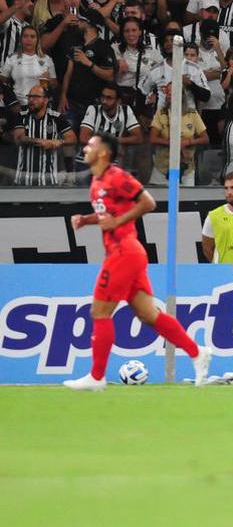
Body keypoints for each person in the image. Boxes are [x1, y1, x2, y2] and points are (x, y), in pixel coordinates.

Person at [64, 133, 211, 389]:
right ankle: (198, 352)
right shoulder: (97, 182)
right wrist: (87, 220)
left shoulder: (117, 176)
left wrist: (117, 222)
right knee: (148, 314)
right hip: (128, 254)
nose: (85, 148)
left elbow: (148, 202)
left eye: (91, 145)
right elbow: (109, 213)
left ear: (104, 153)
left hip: (124, 252)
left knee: (99, 312)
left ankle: (96, 377)